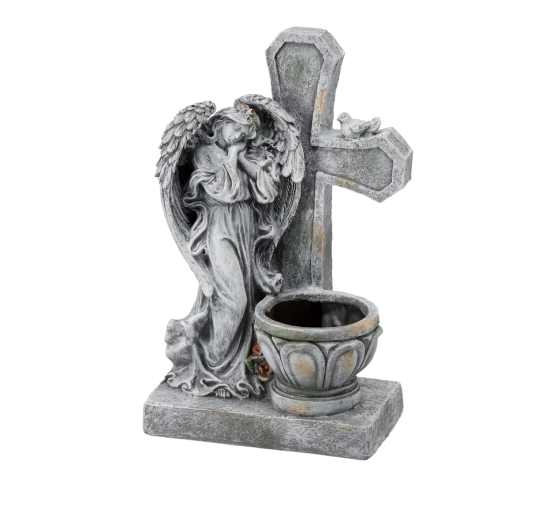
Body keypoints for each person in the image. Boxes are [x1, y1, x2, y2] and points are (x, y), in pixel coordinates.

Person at [163, 104, 281, 398]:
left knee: (250, 300)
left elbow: (267, 191)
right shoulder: (204, 153)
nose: (239, 136)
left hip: (245, 231)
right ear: (221, 123)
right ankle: (213, 364)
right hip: (219, 229)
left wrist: (240, 157)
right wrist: (232, 157)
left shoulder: (244, 154)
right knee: (233, 300)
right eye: (236, 127)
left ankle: (239, 368)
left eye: (246, 133)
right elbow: (225, 191)